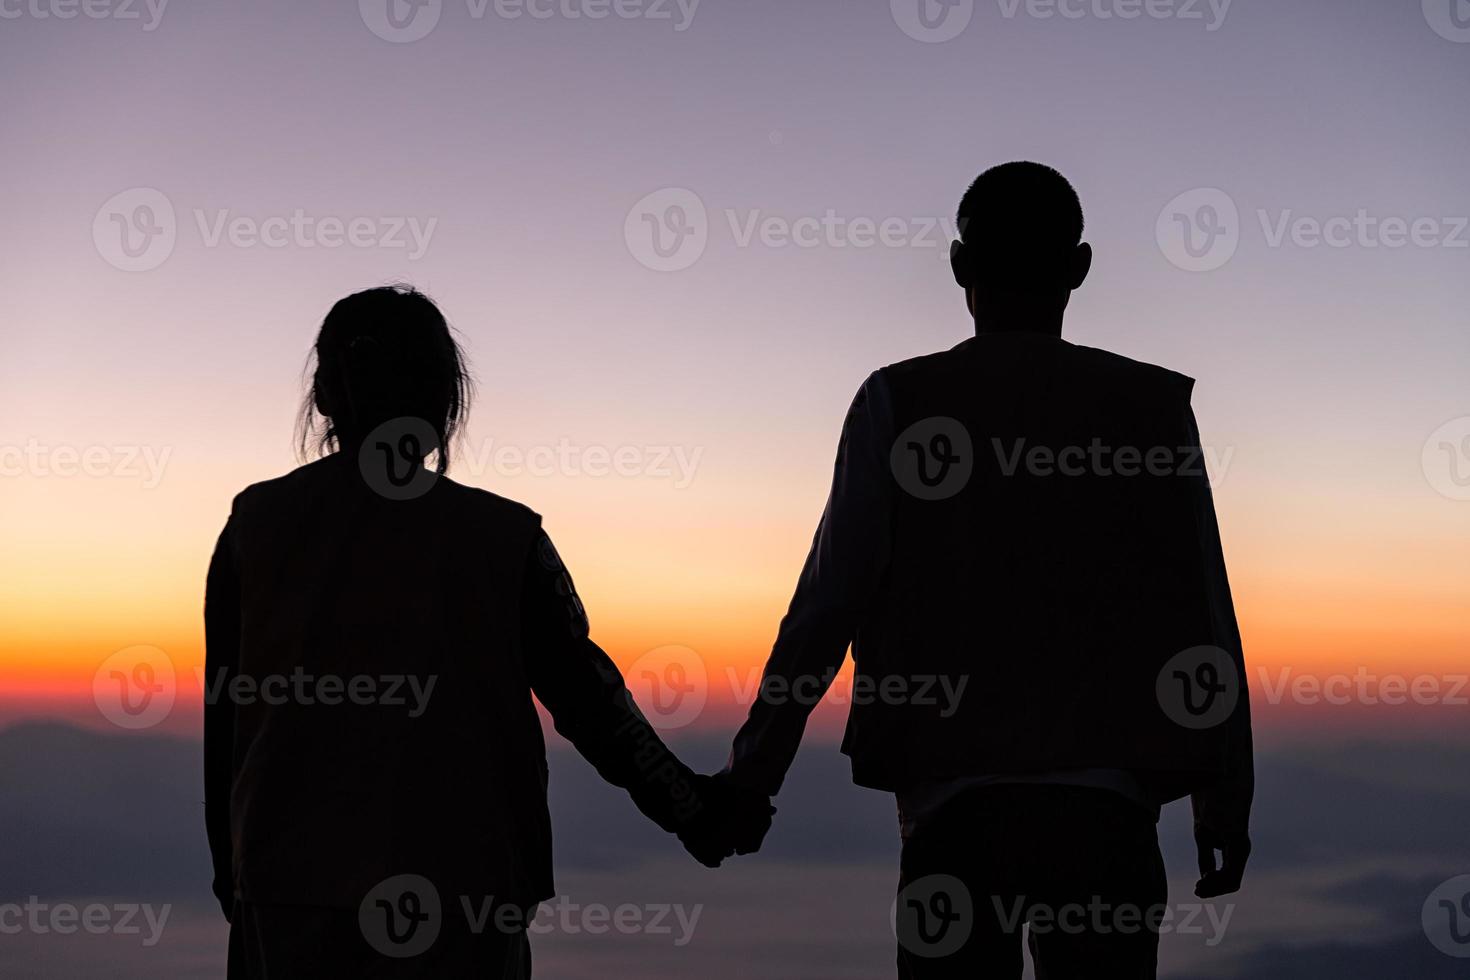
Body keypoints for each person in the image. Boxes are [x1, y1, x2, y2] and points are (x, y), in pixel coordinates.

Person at [715, 162, 1254, 978]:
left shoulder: (899, 401)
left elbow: (830, 602)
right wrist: (1225, 793)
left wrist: (753, 776)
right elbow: (1203, 606)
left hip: (953, 814)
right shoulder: (1150, 408)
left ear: (961, 267)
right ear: (1079, 269)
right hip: (1108, 817)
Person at [203, 285, 769, 978]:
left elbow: (224, 721)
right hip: (463, 901)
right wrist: (695, 810)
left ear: (324, 395)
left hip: (288, 899)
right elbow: (594, 706)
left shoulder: (253, 529)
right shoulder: (503, 541)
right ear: (446, 399)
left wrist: (231, 870)